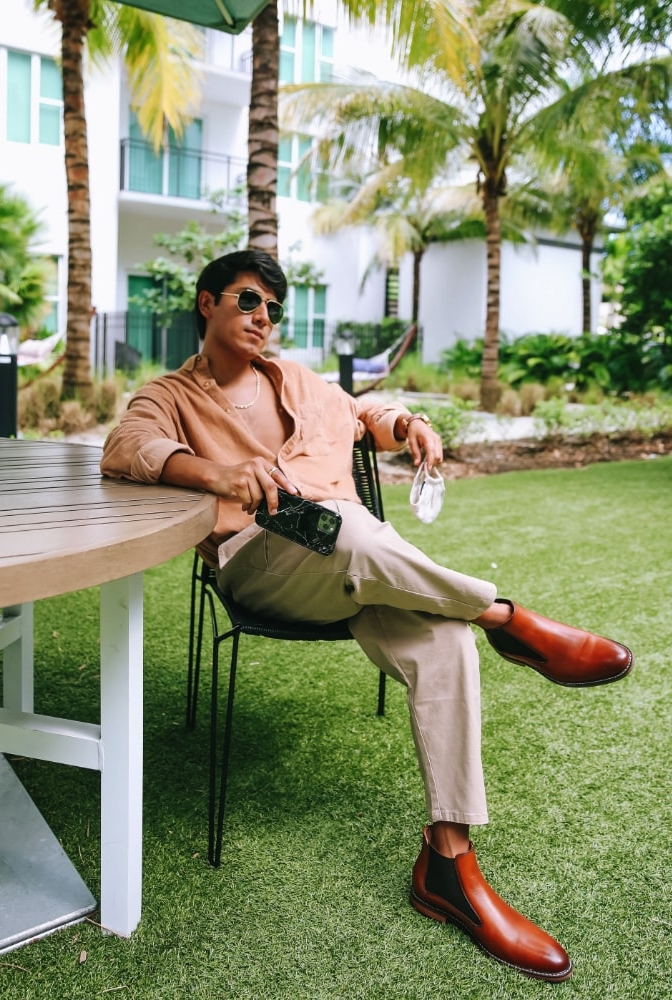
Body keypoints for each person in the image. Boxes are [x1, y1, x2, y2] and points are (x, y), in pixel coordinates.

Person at [101, 249, 633, 982]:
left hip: (351, 566)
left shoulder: (296, 380)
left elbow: (362, 416)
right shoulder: (170, 394)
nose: (262, 319)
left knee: (444, 639)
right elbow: (127, 447)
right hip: (261, 566)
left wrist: (409, 422)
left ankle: (448, 864)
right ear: (207, 303)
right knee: (347, 531)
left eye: (273, 310)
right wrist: (215, 471)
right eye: (249, 301)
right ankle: (507, 616)